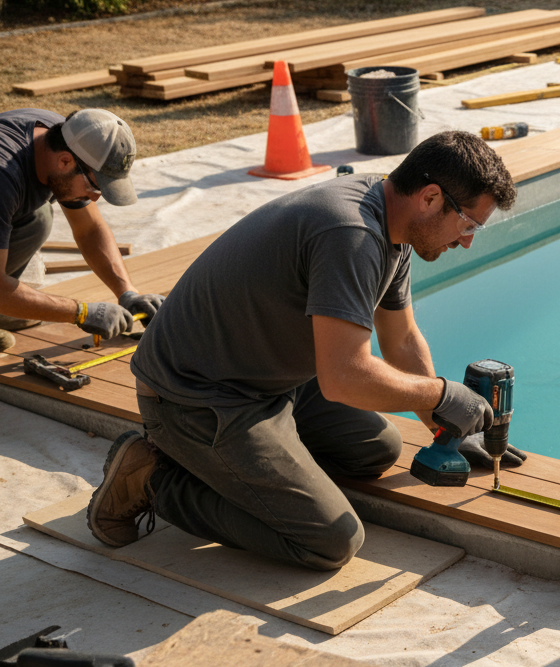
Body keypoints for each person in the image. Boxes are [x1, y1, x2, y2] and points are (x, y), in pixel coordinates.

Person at [85, 131, 525, 571]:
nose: (467, 240)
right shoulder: (351, 233)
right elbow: (343, 377)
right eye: (468, 224)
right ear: (430, 197)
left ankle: (253, 468)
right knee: (331, 540)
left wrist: (443, 427)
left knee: (376, 450)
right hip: (196, 395)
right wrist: (441, 395)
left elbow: (401, 338)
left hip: (267, 376)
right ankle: (153, 481)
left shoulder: (395, 221)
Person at [0, 108, 161, 352]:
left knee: (38, 219)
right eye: (94, 187)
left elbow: (89, 230)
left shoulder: (64, 137)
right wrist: (80, 312)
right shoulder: (4, 178)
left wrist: (127, 293)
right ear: (65, 161)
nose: (94, 199)